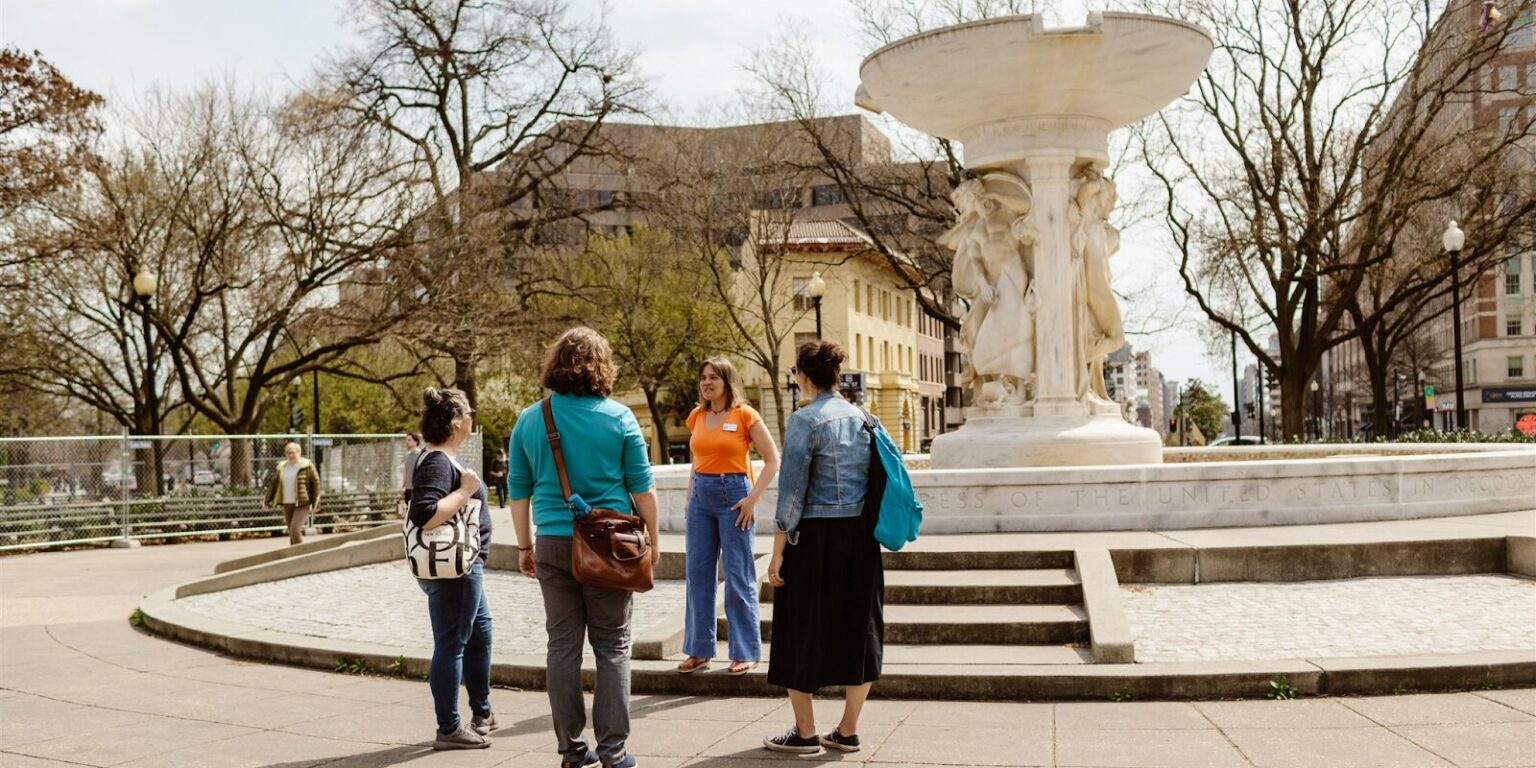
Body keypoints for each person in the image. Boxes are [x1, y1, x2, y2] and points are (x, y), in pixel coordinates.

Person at [508, 327, 658, 768]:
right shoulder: (620, 417)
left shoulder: (530, 419)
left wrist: (523, 546)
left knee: (562, 646)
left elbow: (519, 491)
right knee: (612, 646)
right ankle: (614, 752)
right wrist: (654, 540)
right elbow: (644, 490)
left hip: (552, 542)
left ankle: (572, 751)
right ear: (602, 366)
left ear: (555, 364)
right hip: (609, 545)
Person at [762, 340, 883, 756]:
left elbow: (791, 494)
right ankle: (847, 730)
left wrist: (778, 550)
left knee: (800, 629)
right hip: (861, 539)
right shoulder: (866, 418)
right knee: (860, 628)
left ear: (803, 376)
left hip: (815, 538)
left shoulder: (805, 420)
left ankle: (806, 731)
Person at [677, 357, 779, 676]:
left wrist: (752, 500)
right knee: (698, 574)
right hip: (701, 501)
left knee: (738, 575)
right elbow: (697, 460)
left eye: (714, 378)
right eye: (703, 377)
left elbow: (773, 460)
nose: (707, 383)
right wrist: (690, 494)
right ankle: (698, 649)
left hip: (734, 497)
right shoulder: (697, 416)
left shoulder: (745, 414)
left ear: (727, 381)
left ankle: (744, 651)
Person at [408, 388, 495, 750]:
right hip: (455, 570)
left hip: (463, 567)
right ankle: (449, 726)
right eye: (469, 412)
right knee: (452, 643)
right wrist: (466, 491)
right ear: (457, 422)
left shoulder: (444, 459)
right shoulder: (438, 462)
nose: (473, 417)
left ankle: (482, 711)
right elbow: (424, 513)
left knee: (479, 633)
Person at [261, 441, 321, 545]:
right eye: (288, 453)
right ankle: (294, 556)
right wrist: (266, 501)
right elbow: (273, 485)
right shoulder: (282, 467)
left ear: (299, 453)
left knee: (295, 530)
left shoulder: (307, 466)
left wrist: (316, 503)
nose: (291, 455)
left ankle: (302, 554)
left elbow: (316, 484)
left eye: (293, 452)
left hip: (303, 503)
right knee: (291, 532)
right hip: (287, 503)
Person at [401, 432, 422, 505]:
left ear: (416, 442)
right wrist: (403, 486)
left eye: (409, 440)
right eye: (406, 440)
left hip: (418, 489)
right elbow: (406, 472)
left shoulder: (421, 455)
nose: (407, 442)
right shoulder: (407, 456)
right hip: (408, 489)